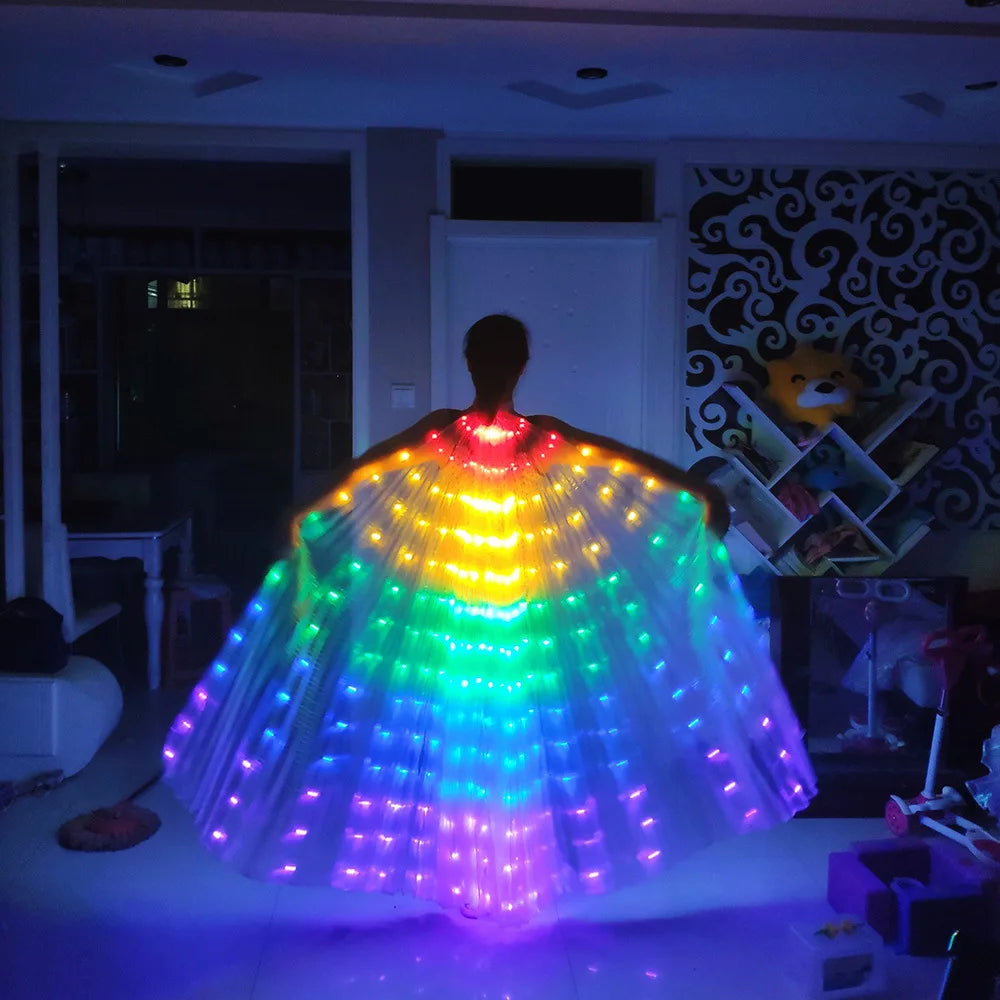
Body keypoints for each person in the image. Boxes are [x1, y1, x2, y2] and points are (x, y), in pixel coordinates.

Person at [163, 313, 815, 923]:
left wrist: (307, 513)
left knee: (479, 732)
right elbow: (628, 464)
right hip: (495, 603)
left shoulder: (461, 431)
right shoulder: (524, 434)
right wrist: (696, 493)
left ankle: (488, 877)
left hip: (477, 604)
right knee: (505, 731)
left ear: (474, 361)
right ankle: (499, 875)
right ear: (518, 364)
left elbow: (359, 475)